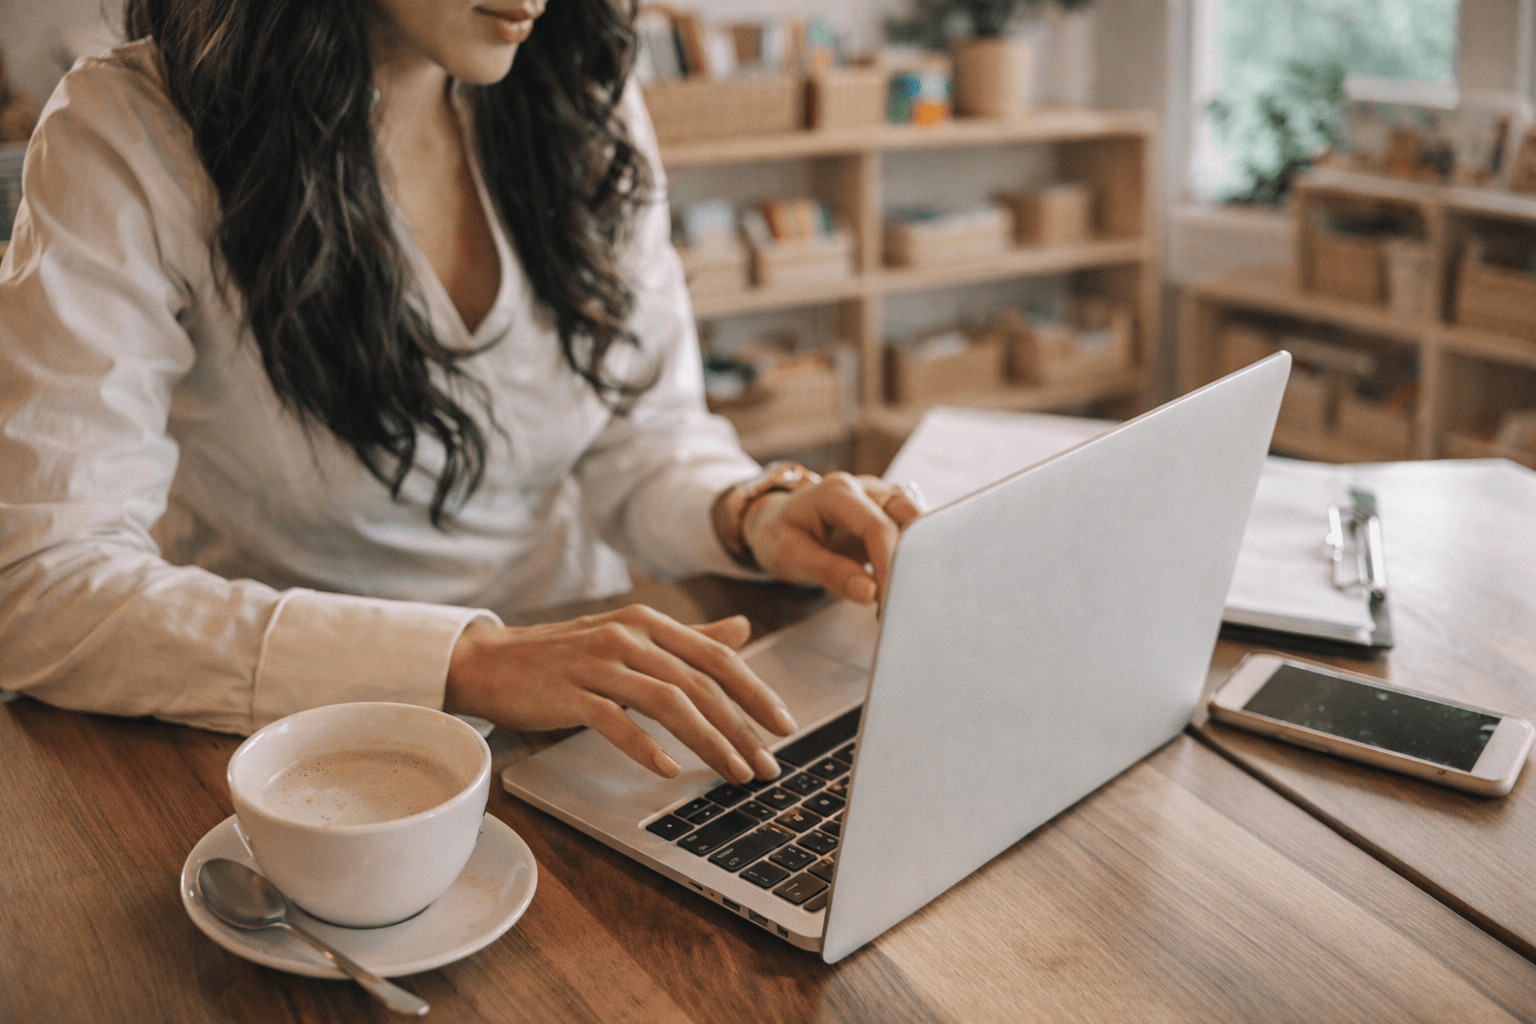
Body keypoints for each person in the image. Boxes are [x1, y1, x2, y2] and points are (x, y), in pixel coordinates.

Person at [0, 0, 921, 789]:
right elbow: (43, 586)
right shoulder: (128, 133)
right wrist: (463, 661)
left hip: (586, 712)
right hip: (291, 750)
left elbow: (641, 431)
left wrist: (751, 509)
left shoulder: (577, 95)